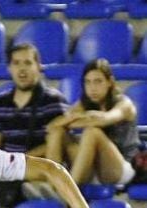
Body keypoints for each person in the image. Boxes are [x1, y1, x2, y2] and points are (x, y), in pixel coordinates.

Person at [0, 43, 67, 208]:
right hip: (7, 169)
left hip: (39, 167)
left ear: (38, 67)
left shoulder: (53, 100)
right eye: (16, 63)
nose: (22, 69)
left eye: (28, 63)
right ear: (9, 68)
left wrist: (18, 162)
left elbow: (58, 142)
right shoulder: (0, 101)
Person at [45, 58, 138, 187]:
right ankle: (52, 186)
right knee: (57, 132)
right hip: (94, 167)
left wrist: (76, 120)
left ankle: (68, 193)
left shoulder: (124, 103)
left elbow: (105, 119)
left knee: (92, 132)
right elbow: (52, 126)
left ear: (110, 82)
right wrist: (79, 116)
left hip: (122, 168)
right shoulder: (84, 104)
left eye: (98, 81)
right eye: (88, 82)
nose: (92, 88)